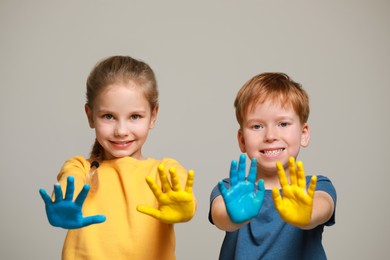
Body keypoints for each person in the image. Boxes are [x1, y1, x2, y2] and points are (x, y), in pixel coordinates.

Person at [39, 56, 196, 260]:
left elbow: (182, 192)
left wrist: (186, 206)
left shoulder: (165, 171)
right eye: (108, 116)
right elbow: (70, 183)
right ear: (90, 115)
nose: (121, 131)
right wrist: (62, 203)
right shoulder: (79, 168)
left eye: (135, 116)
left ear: (153, 116)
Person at [209, 72, 336, 259]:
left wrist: (308, 214)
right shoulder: (231, 191)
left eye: (283, 124)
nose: (270, 136)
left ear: (304, 133)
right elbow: (220, 216)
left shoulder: (316, 187)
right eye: (257, 126)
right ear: (242, 140)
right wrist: (232, 216)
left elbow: (323, 207)